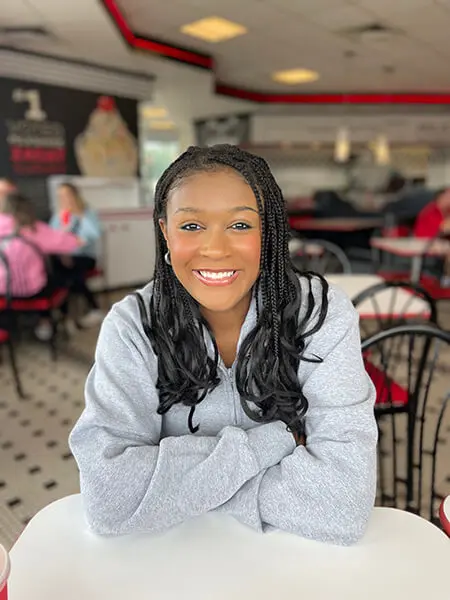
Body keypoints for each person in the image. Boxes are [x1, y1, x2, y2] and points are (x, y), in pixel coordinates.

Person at [69, 145, 377, 545]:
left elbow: (344, 504)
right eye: (191, 226)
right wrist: (275, 441)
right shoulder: (132, 327)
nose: (215, 249)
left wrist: (174, 490)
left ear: (268, 233)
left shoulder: (321, 312)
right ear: (165, 231)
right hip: (178, 562)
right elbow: (110, 500)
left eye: (241, 226)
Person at [0, 192, 84, 340]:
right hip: (34, 291)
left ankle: (9, 330)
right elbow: (73, 243)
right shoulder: (35, 230)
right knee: (63, 278)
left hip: (3, 291)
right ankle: (46, 323)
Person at [50, 183, 104, 328]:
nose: (65, 199)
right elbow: (52, 237)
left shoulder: (87, 213)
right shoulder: (59, 215)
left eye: (67, 195)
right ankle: (86, 309)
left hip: (85, 257)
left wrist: (80, 215)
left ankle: (66, 313)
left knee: (70, 269)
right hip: (64, 257)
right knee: (63, 272)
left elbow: (95, 233)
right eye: (61, 196)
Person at [414, 189, 450, 286]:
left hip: (440, 243)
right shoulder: (430, 211)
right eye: (448, 197)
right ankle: (446, 279)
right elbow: (440, 230)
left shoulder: (446, 211)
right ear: (440, 198)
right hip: (425, 243)